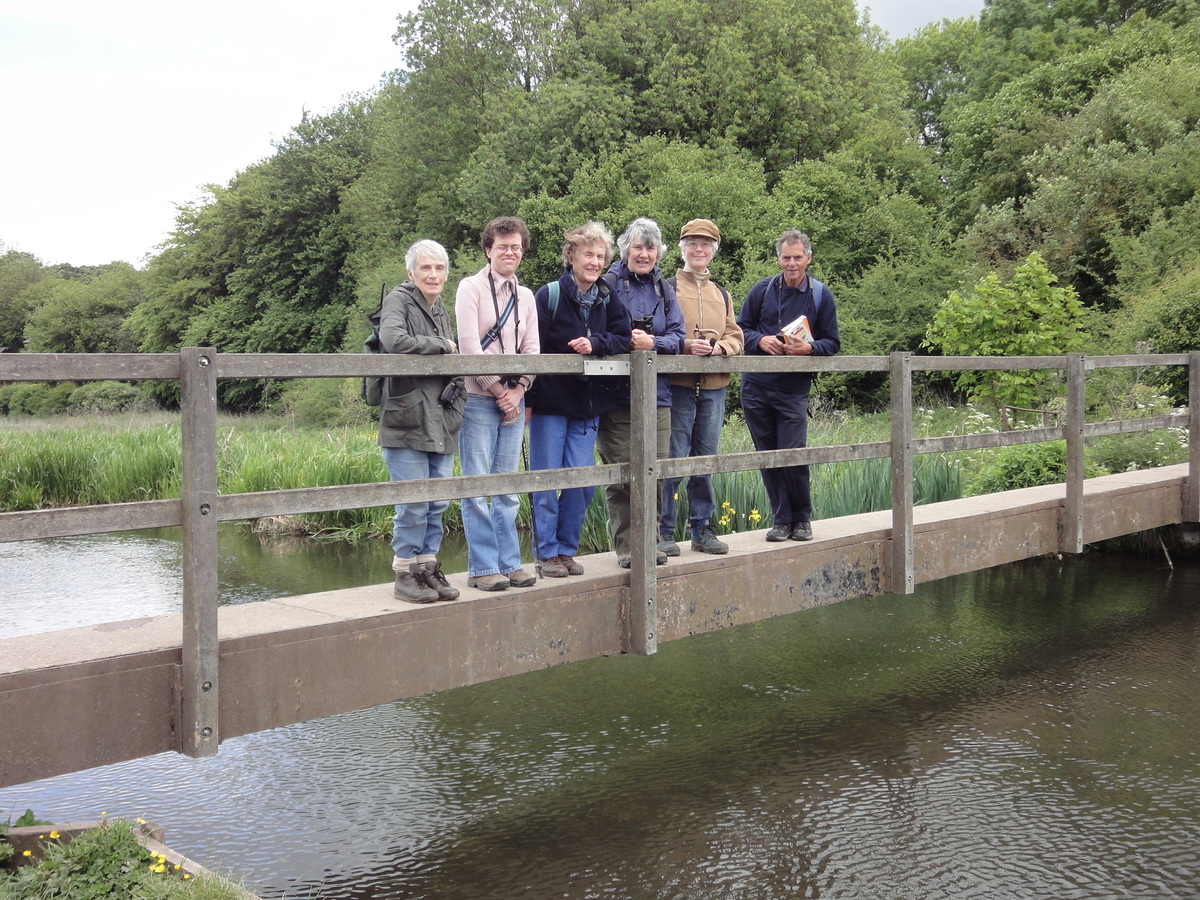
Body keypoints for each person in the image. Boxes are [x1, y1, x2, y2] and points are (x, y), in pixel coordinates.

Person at [526, 221, 632, 578]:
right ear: (571, 256)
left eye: (601, 256)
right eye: (589, 254)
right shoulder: (549, 295)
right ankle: (546, 553)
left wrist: (596, 344)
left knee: (582, 483)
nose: (595, 261)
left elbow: (623, 337)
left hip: (588, 407)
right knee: (546, 480)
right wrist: (529, 401)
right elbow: (533, 350)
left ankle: (566, 549)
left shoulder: (607, 296)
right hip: (551, 405)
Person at [736, 229, 840, 542]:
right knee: (767, 457)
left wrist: (809, 349)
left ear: (808, 258)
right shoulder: (762, 290)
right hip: (755, 388)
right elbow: (740, 330)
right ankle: (781, 521)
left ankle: (802, 520)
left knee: (793, 455)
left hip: (793, 390)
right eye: (786, 257)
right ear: (778, 259)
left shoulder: (820, 295)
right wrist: (761, 340)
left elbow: (832, 343)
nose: (791, 263)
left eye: (797, 257)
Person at [378, 239, 465, 603]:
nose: (433, 274)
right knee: (412, 502)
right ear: (410, 272)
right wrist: (441, 345)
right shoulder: (398, 299)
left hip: (440, 417)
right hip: (407, 418)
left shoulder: (439, 305)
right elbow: (392, 340)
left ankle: (427, 568)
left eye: (439, 268)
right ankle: (404, 573)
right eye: (426, 268)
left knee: (437, 501)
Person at [455, 217, 540, 592]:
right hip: (477, 398)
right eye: (503, 246)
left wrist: (518, 391)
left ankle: (510, 563)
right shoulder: (469, 288)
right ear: (488, 249)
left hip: (514, 400)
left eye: (516, 247)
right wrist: (496, 390)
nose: (510, 252)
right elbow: (469, 345)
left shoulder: (527, 296)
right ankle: (482, 568)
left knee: (506, 487)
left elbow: (533, 351)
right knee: (476, 485)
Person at [597, 218, 686, 569]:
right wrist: (624, 342)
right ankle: (628, 548)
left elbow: (678, 336)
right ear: (626, 250)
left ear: (658, 252)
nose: (644, 254)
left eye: (650, 248)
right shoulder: (608, 285)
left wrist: (653, 343)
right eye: (638, 247)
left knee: (656, 473)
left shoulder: (665, 290)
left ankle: (651, 543)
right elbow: (598, 331)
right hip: (616, 396)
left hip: (658, 397)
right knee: (622, 475)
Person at [659, 218, 744, 557]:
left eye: (705, 244)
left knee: (705, 460)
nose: (699, 249)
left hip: (713, 387)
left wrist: (720, 348)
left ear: (713, 250)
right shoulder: (666, 288)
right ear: (682, 248)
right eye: (692, 243)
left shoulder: (722, 293)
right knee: (673, 459)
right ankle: (663, 531)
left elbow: (736, 335)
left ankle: (702, 529)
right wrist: (684, 347)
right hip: (677, 386)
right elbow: (661, 332)